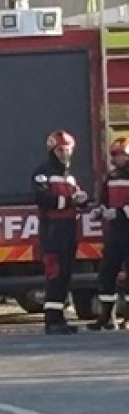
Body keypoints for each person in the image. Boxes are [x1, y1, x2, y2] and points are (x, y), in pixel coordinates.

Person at [32, 130, 91, 335]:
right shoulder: (43, 172)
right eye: (60, 150)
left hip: (69, 230)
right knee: (55, 273)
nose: (65, 153)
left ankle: (60, 318)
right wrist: (69, 202)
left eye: (68, 149)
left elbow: (79, 201)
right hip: (53, 230)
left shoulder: (70, 177)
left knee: (65, 274)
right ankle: (52, 321)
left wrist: (83, 201)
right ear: (52, 150)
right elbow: (42, 199)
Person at [91, 137, 129, 330]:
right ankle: (106, 316)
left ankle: (127, 318)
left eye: (121, 154)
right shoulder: (112, 177)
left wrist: (120, 213)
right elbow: (104, 199)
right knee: (107, 272)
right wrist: (99, 210)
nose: (118, 158)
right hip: (115, 232)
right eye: (115, 155)